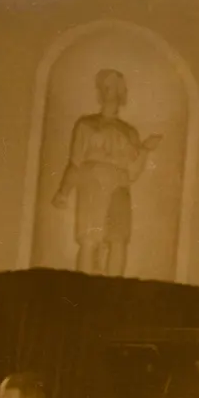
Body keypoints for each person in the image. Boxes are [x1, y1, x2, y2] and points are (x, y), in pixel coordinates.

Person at [52, 69, 162, 278]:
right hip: (92, 182)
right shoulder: (86, 125)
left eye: (116, 87)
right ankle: (83, 288)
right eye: (107, 87)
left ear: (122, 93)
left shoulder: (129, 132)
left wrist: (145, 149)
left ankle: (115, 289)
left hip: (120, 186)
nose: (112, 92)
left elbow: (133, 173)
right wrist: (63, 192)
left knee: (118, 239)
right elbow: (75, 162)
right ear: (100, 92)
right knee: (89, 238)